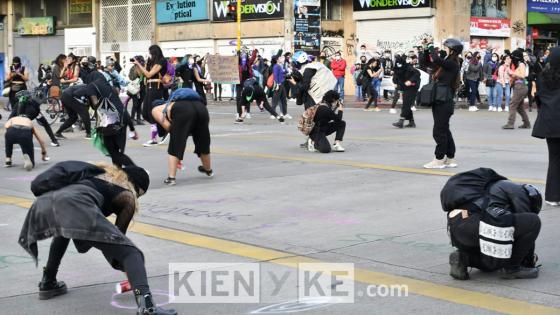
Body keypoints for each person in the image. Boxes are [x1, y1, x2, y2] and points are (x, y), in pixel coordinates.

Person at [18, 161, 177, 315]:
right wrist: (130, 270)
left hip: (46, 203)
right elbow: (118, 245)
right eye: (140, 194)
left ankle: (48, 281)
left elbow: (84, 244)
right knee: (132, 254)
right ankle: (147, 306)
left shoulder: (95, 176)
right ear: (137, 188)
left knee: (64, 229)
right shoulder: (127, 197)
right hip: (77, 204)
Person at [441, 168, 542, 280]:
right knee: (533, 221)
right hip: (477, 225)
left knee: (494, 263)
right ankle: (512, 269)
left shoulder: (486, 190)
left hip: (457, 228)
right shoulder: (518, 191)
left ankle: (464, 258)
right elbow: (526, 222)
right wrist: (528, 261)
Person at [149, 89, 213, 186]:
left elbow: (170, 128)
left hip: (183, 111)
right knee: (203, 142)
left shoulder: (156, 108)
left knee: (175, 144)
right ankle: (208, 170)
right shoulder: (176, 102)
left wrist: (179, 133)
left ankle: (171, 178)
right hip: (202, 109)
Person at [422, 37, 462, 169]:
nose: (444, 49)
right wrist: (425, 49)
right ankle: (450, 158)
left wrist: (430, 46)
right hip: (440, 100)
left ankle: (439, 159)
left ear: (452, 51)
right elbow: (427, 63)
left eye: (446, 48)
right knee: (445, 130)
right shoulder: (446, 63)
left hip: (444, 101)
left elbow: (436, 59)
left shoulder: (453, 64)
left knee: (438, 131)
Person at [532, 47, 560, 206]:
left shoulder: (543, 77)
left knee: (554, 160)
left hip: (550, 124)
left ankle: (552, 196)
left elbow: (539, 99)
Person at [134, 45, 168, 143]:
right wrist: (137, 65)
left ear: (154, 52)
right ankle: (164, 128)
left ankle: (153, 139)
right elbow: (142, 75)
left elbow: (149, 74)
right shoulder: (150, 62)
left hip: (156, 88)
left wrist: (139, 64)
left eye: (150, 52)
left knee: (152, 112)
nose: (149, 54)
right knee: (145, 113)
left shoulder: (161, 61)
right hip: (148, 87)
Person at [4, 101, 49, 170]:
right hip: (25, 133)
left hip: (12, 131)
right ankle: (28, 158)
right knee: (27, 145)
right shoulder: (29, 121)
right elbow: (40, 139)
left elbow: (6, 126)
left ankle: (8, 159)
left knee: (8, 139)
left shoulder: (13, 118)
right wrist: (44, 153)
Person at [503, 49, 531, 130]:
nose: (512, 58)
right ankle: (526, 123)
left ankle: (510, 123)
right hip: (520, 86)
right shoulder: (520, 64)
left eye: (513, 57)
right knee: (519, 107)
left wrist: (512, 73)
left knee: (512, 104)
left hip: (520, 86)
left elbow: (522, 75)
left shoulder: (521, 64)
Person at [392, 55, 420, 128]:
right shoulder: (397, 69)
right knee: (406, 104)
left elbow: (417, 73)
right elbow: (396, 79)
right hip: (404, 88)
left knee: (406, 104)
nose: (398, 65)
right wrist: (395, 80)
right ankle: (412, 122)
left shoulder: (408, 67)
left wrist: (410, 81)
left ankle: (401, 121)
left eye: (400, 63)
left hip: (412, 87)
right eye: (397, 63)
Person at [128, 55, 146, 125]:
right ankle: (132, 119)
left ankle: (138, 119)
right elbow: (131, 77)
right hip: (135, 88)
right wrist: (136, 70)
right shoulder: (133, 68)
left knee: (139, 104)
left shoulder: (144, 67)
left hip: (143, 88)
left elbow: (147, 76)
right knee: (135, 104)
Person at [269, 54, 288, 122]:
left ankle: (284, 113)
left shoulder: (280, 66)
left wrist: (286, 71)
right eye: (280, 58)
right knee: (275, 100)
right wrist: (277, 83)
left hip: (282, 84)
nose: (282, 58)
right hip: (278, 84)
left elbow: (283, 73)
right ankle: (272, 114)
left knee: (283, 99)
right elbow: (276, 75)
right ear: (277, 59)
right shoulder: (276, 66)